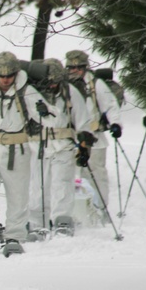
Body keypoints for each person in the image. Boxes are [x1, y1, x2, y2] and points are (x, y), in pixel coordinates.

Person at [0, 51, 58, 254]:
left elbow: (51, 118)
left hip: (17, 148)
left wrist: (44, 112)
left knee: (18, 196)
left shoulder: (27, 91)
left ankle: (14, 236)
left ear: (15, 73)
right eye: (1, 76)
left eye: (8, 75)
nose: (4, 80)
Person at [27, 58, 93, 237]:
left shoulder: (70, 93)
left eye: (56, 81)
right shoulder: (33, 94)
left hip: (63, 146)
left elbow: (83, 121)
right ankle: (36, 222)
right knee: (37, 186)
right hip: (38, 147)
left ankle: (62, 219)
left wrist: (84, 147)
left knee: (62, 184)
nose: (52, 85)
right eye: (49, 81)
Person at [65, 49, 123, 222]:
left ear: (85, 67)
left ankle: (100, 208)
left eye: (78, 67)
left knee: (96, 175)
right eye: (71, 67)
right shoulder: (63, 86)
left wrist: (115, 124)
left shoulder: (95, 84)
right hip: (70, 138)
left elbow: (111, 105)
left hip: (94, 138)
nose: (74, 70)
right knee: (69, 176)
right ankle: (73, 212)